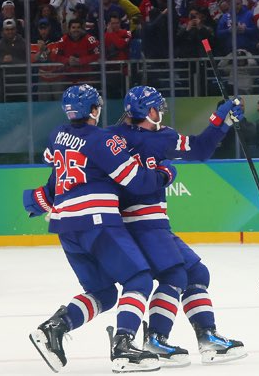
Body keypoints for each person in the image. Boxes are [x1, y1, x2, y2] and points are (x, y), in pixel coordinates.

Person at [25, 85, 174, 373]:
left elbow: (54, 164)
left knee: (103, 292)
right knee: (139, 279)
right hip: (96, 220)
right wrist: (166, 173)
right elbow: (138, 182)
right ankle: (123, 346)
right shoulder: (103, 140)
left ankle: (53, 328)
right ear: (95, 110)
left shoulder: (57, 135)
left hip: (65, 225)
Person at [107, 86, 248, 367]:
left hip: (139, 223)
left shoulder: (110, 137)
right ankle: (156, 340)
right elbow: (200, 149)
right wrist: (221, 121)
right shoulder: (161, 138)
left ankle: (207, 335)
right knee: (174, 275)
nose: (161, 111)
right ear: (149, 111)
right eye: (158, 106)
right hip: (144, 222)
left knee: (195, 271)